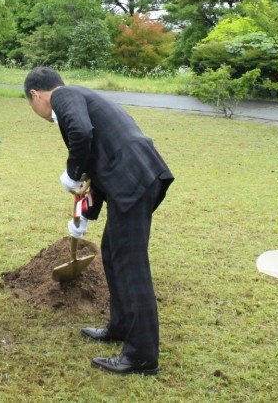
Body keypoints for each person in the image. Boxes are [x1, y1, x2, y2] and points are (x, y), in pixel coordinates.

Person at [23, 67, 174, 376]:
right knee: (113, 253)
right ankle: (119, 326)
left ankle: (142, 356)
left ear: (36, 95)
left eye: (31, 104)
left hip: (133, 178)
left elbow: (81, 135)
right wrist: (85, 217)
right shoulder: (79, 98)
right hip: (132, 176)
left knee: (131, 265)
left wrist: (71, 172)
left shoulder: (64, 96)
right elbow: (98, 161)